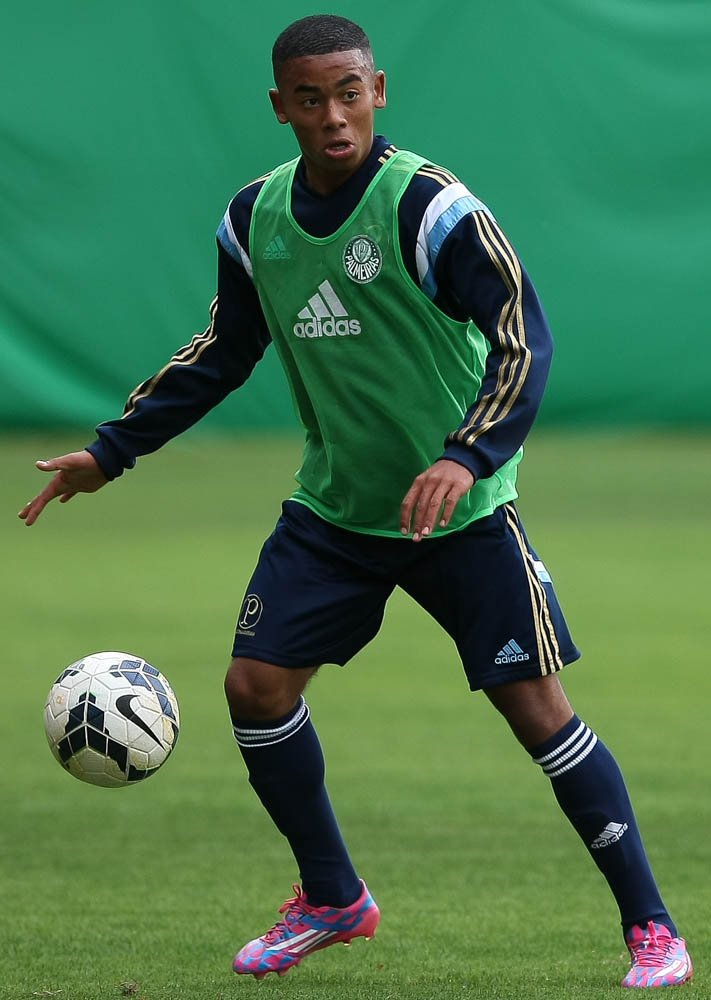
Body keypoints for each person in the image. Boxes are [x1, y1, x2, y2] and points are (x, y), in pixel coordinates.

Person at [19, 14, 691, 990]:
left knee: (537, 709)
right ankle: (333, 896)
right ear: (281, 106)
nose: (332, 116)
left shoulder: (429, 207)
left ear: (377, 91)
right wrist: (110, 451)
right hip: (336, 511)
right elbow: (223, 350)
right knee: (254, 687)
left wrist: (467, 456)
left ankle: (653, 927)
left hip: (458, 514)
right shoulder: (257, 218)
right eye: (309, 97)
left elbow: (522, 338)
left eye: (348, 92)